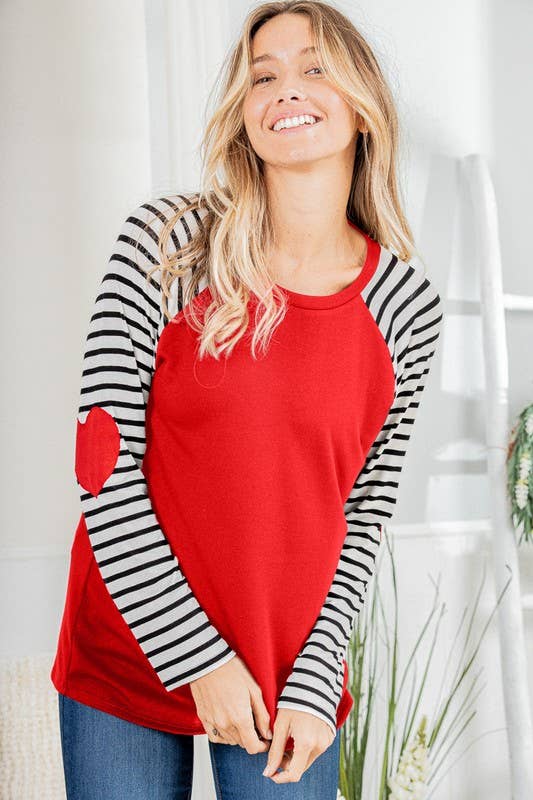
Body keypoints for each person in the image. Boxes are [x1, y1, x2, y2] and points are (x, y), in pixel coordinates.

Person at [51, 1, 444, 798]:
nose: (285, 89)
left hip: (288, 676)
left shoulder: (405, 305)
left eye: (313, 68)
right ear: (243, 111)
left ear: (362, 104)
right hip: (127, 654)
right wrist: (198, 659)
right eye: (263, 76)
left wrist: (315, 677)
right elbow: (103, 470)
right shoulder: (169, 245)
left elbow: (362, 509)